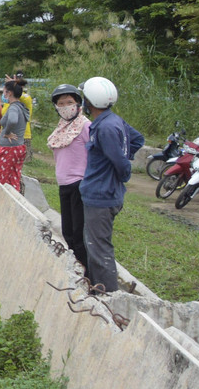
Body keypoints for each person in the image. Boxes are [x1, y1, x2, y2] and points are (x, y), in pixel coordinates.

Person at [78, 76, 144, 294]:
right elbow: (136, 140)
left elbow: (120, 162)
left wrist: (121, 171)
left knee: (99, 249)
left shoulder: (105, 128)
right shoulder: (113, 120)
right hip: (105, 193)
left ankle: (108, 296)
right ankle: (100, 289)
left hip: (101, 196)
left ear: (90, 102)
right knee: (95, 245)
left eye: (84, 99)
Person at [47, 83, 91, 270]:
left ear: (78, 104)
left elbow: (96, 155)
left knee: (79, 234)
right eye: (61, 103)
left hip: (79, 184)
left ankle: (88, 275)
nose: (66, 107)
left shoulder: (85, 126)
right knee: (68, 232)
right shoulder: (61, 129)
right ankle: (77, 269)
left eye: (70, 102)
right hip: (64, 185)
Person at [0, 80, 28, 192]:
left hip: (9, 148)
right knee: (13, 178)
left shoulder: (13, 107)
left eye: (4, 91)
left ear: (10, 93)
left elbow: (12, 120)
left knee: (1, 178)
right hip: (18, 147)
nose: (3, 93)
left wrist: (7, 133)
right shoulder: (21, 107)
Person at [13, 74, 34, 158]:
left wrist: (14, 88)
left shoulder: (26, 98)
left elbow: (21, 97)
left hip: (24, 135)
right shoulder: (9, 101)